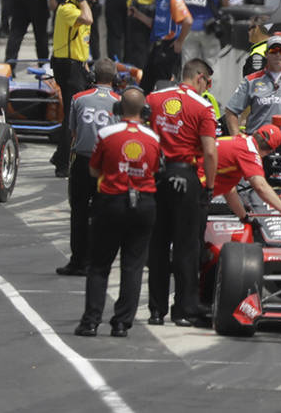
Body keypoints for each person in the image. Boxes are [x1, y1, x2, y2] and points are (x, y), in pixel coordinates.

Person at [74, 86, 161, 337]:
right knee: (133, 266)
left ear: (118, 108)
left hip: (111, 201)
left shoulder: (106, 133)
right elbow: (154, 169)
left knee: (99, 265)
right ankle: (122, 323)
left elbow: (93, 170)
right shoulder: (153, 137)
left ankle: (91, 321)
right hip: (144, 203)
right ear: (143, 110)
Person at [145, 59, 218, 327]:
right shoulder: (203, 107)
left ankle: (156, 310)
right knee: (187, 247)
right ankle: (184, 310)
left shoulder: (153, 98)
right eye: (208, 83)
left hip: (156, 176)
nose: (207, 88)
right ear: (199, 78)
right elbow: (210, 152)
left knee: (158, 246)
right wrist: (209, 187)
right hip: (186, 176)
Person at [58, 59, 121, 276]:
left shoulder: (78, 99)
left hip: (83, 161)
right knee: (102, 214)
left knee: (79, 212)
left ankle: (77, 260)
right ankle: (96, 260)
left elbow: (73, 132)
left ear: (92, 77)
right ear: (114, 78)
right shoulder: (120, 101)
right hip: (106, 165)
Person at [50, 0, 101, 177]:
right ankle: (62, 161)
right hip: (67, 67)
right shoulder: (68, 9)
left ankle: (60, 155)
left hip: (78, 66)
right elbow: (87, 19)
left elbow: (83, 40)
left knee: (77, 113)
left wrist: (85, 65)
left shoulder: (83, 8)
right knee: (73, 116)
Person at [213, 125, 281, 222]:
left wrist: (244, 217)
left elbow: (229, 190)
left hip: (198, 183)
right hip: (198, 186)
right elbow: (261, 187)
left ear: (255, 133)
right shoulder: (249, 152)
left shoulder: (239, 140)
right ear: (270, 151)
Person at [130, 0, 192, 93]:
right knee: (145, 86)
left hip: (168, 48)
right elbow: (156, 24)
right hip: (157, 48)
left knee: (164, 88)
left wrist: (179, 41)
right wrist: (137, 15)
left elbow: (188, 21)